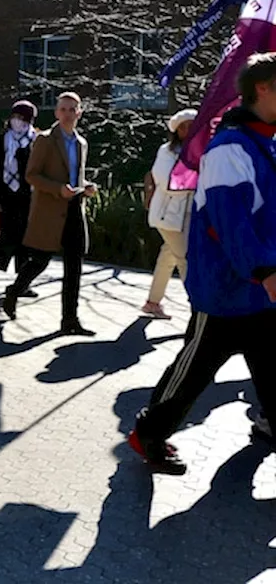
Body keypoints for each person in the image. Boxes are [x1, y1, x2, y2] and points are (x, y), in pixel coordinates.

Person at [128, 52, 276, 475]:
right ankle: (149, 433)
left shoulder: (265, 143)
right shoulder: (230, 148)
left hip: (262, 292)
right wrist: (265, 270)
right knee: (192, 372)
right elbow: (233, 221)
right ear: (262, 88)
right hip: (228, 292)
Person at [2, 92, 98, 336]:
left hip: (75, 209)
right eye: (63, 109)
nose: (67, 113)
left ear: (79, 113)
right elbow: (31, 175)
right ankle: (14, 291)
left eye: (72, 109)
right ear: (56, 113)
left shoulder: (81, 143)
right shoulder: (45, 140)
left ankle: (70, 320)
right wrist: (58, 190)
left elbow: (75, 175)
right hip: (51, 210)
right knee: (40, 261)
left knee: (74, 267)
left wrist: (86, 187)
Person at [140, 108, 198, 320]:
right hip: (168, 216)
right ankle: (198, 307)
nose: (188, 129)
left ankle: (152, 302)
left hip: (188, 216)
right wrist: (194, 182)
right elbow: (165, 181)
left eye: (192, 125)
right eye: (184, 126)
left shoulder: (200, 150)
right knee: (185, 259)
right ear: (176, 130)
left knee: (168, 257)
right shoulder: (167, 151)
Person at [0, 101, 39, 287]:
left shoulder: (36, 141)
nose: (17, 122)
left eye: (22, 118)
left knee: (27, 240)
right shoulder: (2, 141)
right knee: (11, 234)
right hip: (7, 195)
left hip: (30, 195)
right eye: (15, 117)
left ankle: (22, 284)